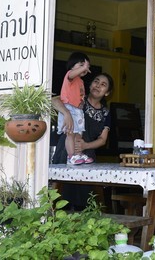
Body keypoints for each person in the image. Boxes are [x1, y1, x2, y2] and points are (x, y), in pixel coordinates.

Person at [51, 73, 114, 210]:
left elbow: (102, 140)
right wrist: (66, 113)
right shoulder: (77, 99)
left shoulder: (105, 113)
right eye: (96, 81)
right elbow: (54, 100)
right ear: (90, 85)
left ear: (107, 92)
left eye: (103, 85)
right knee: (60, 199)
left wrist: (85, 145)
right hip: (66, 152)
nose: (98, 85)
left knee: (85, 203)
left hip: (87, 156)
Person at [57, 52, 92, 165]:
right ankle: (71, 156)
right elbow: (72, 74)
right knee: (70, 133)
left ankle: (78, 154)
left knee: (78, 134)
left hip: (77, 110)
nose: (85, 68)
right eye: (81, 64)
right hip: (69, 108)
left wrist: (81, 103)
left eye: (87, 67)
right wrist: (83, 68)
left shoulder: (80, 81)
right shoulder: (70, 75)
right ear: (72, 65)